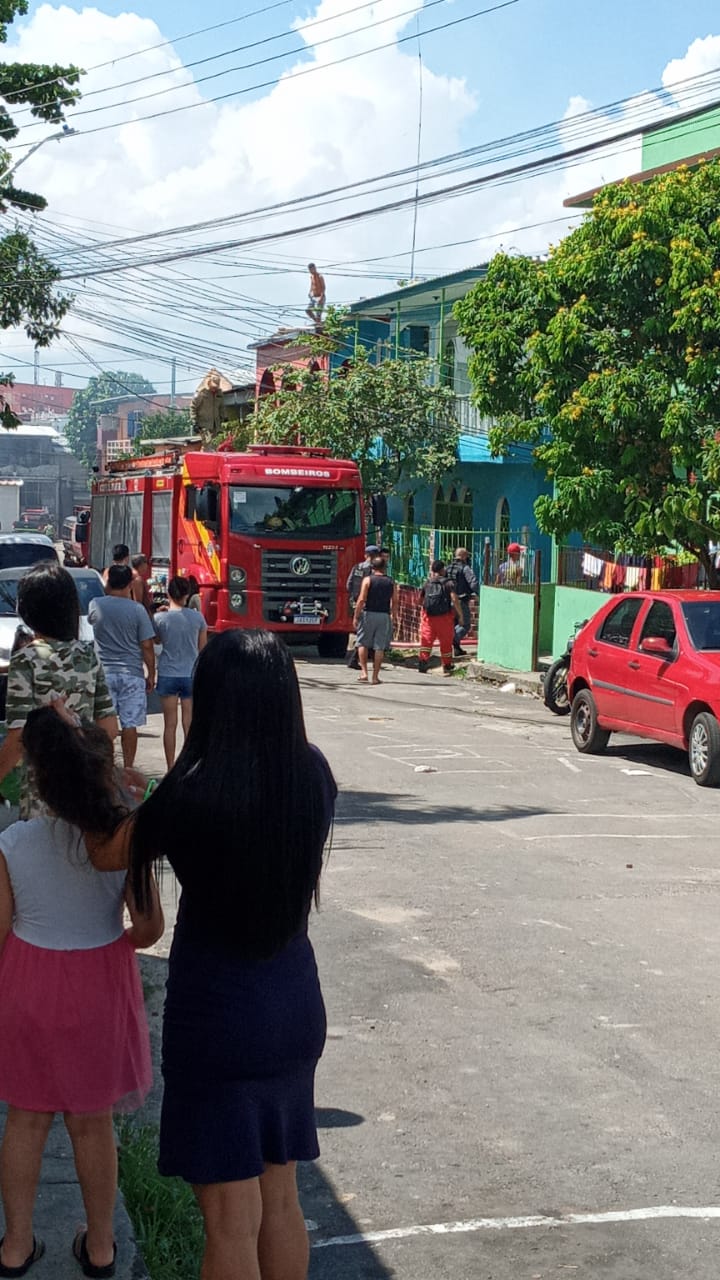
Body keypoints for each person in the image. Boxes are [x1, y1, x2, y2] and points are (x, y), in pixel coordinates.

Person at [92, 630, 336, 1280]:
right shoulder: (312, 775)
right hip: (294, 1008)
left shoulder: (192, 793)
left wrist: (111, 782)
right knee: (280, 1196)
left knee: (230, 1220)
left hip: (219, 1020)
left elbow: (107, 852)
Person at [0, 704, 163, 1278]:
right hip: (99, 982)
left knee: (26, 1120)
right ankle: (100, 1247)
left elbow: (0, 930)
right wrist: (112, 939)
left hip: (29, 980)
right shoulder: (121, 839)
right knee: (93, 1124)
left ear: (38, 777)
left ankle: (15, 1245)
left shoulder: (15, 842)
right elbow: (149, 929)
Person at [0, 562, 118, 820]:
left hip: (42, 798)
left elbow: (19, 736)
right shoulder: (88, 656)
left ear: (27, 610)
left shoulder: (26, 660)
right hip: (85, 794)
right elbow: (109, 728)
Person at [88, 566, 156, 769]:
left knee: (103, 724)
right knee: (130, 724)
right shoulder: (137, 610)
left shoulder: (96, 604)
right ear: (129, 584)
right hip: (132, 674)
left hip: (104, 673)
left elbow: (91, 622)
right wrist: (151, 674)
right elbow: (147, 645)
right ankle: (128, 769)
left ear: (108, 582)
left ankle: (105, 768)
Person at [153, 577, 207, 770]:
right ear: (187, 594)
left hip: (168, 673)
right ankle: (188, 765)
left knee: (170, 724)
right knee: (189, 723)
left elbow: (157, 641)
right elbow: (203, 648)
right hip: (190, 673)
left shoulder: (160, 618)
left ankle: (170, 767)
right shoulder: (198, 618)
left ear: (168, 594)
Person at [353, 555, 398, 685]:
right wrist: (394, 617)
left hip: (368, 614)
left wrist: (356, 615)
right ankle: (375, 677)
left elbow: (361, 599)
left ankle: (364, 673)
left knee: (362, 643)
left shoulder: (367, 580)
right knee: (379, 647)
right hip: (384, 615)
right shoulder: (391, 582)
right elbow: (395, 601)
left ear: (372, 567)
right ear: (385, 568)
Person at [418, 560, 461, 677]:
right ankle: (447, 665)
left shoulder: (427, 583)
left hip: (429, 618)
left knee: (426, 641)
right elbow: (454, 599)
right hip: (445, 618)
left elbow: (419, 600)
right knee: (446, 642)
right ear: (442, 570)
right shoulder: (449, 583)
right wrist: (460, 615)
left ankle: (423, 662)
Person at [345, 544, 379, 670]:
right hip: (366, 604)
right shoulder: (373, 570)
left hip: (355, 603)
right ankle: (354, 659)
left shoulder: (357, 567)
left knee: (363, 632)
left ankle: (363, 658)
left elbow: (348, 585)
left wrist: (354, 597)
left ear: (366, 555)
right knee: (365, 633)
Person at [449, 547, 478, 657]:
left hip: (448, 601)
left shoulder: (448, 568)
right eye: (467, 556)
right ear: (463, 556)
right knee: (465, 625)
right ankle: (452, 638)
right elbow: (473, 583)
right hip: (460, 600)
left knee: (454, 624)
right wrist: (479, 593)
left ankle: (456, 649)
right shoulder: (465, 568)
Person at [190, 371, 226, 447]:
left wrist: (224, 418)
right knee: (207, 445)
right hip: (204, 426)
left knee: (217, 445)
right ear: (209, 383)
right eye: (213, 386)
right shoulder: (201, 393)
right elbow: (193, 407)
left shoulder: (219, 393)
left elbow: (222, 408)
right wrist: (194, 422)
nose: (214, 389)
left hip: (216, 426)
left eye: (216, 387)